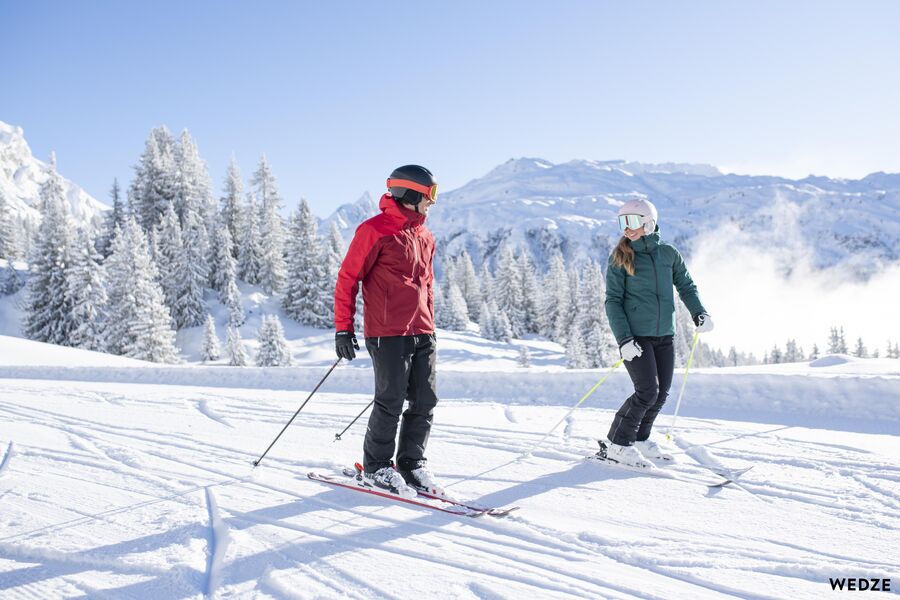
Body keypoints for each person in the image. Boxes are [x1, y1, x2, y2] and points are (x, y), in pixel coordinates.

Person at [333, 165, 442, 498]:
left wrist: (431, 325)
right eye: (429, 195)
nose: (432, 203)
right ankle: (377, 466)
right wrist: (343, 327)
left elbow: (427, 286)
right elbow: (348, 278)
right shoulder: (374, 231)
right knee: (391, 400)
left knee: (425, 399)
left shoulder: (425, 235)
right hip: (387, 331)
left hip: (422, 330)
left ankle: (411, 463)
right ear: (410, 194)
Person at [597, 198, 713, 468]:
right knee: (646, 392)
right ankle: (618, 444)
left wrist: (699, 312)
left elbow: (686, 285)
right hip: (635, 338)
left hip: (664, 334)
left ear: (648, 222)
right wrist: (624, 339)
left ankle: (639, 438)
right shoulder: (620, 257)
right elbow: (613, 301)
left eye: (632, 221)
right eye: (622, 222)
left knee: (661, 395)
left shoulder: (668, 254)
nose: (627, 228)